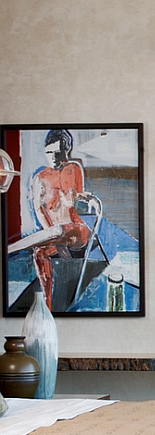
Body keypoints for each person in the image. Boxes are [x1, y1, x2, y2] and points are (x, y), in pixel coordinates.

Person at [7, 129, 91, 309]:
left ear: (66, 151)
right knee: (39, 252)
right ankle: (47, 304)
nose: (53, 157)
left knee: (59, 229)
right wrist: (52, 237)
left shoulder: (74, 168)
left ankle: (8, 250)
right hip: (54, 234)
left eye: (58, 152)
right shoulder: (40, 178)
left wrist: (81, 199)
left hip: (76, 232)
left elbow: (77, 199)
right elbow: (39, 210)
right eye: (49, 153)